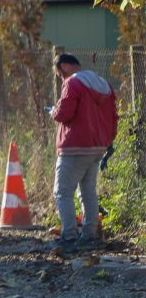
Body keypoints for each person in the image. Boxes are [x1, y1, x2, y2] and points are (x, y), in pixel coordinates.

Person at [49, 53, 118, 250]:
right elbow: (114, 116)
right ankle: (89, 234)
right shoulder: (104, 84)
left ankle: (69, 235)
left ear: (65, 66)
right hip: (97, 147)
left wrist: (53, 111)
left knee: (62, 193)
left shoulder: (72, 83)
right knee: (88, 192)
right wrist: (108, 140)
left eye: (60, 74)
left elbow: (65, 114)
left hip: (74, 147)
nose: (62, 78)